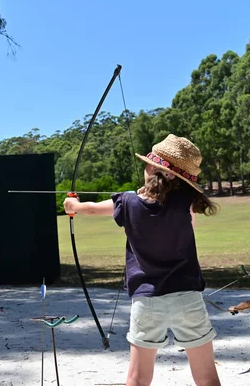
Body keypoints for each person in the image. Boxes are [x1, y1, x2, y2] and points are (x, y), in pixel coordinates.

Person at [64, 134, 221, 386]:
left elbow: (90, 208)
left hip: (147, 302)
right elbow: (178, 216)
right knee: (206, 377)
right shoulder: (186, 203)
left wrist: (72, 204)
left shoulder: (127, 202)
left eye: (149, 164)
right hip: (188, 299)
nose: (145, 168)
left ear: (157, 171)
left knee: (137, 379)